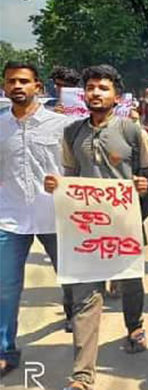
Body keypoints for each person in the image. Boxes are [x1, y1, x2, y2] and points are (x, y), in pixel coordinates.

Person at [43, 64, 148, 390]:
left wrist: (144, 184)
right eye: (90, 87)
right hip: (85, 230)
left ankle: (134, 325)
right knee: (85, 297)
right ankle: (82, 376)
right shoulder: (72, 133)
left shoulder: (133, 132)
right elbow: (69, 175)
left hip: (125, 227)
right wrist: (57, 184)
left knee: (131, 285)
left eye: (103, 88)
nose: (95, 93)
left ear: (116, 97)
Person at [0, 61, 74, 377]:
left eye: (24, 81)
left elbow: (78, 166)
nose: (17, 86)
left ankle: (72, 310)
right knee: (5, 286)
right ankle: (5, 349)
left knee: (70, 275)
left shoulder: (62, 126)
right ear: (4, 87)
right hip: (10, 217)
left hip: (54, 216)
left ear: (37, 87)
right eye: (11, 81)